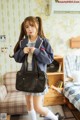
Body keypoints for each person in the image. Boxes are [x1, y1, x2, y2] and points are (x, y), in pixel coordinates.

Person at [13, 16, 63, 120]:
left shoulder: (44, 42)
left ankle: (55, 118)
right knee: (29, 104)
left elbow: (49, 60)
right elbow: (17, 59)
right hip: (26, 78)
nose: (29, 29)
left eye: (31, 26)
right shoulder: (23, 42)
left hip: (39, 78)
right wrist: (23, 51)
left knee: (38, 107)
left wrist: (36, 51)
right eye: (26, 27)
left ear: (37, 26)